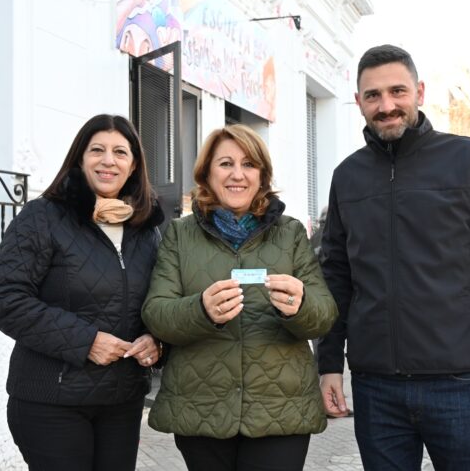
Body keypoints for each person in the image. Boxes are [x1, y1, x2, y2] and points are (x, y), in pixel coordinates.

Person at [317, 44, 470, 470]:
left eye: (397, 91)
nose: (386, 105)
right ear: (359, 102)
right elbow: (336, 277)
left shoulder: (468, 159)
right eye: (373, 96)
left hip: (463, 385)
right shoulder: (347, 176)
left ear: (419, 91)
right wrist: (328, 364)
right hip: (375, 388)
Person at [141, 124, 338, 471]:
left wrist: (301, 306)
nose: (238, 175)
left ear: (262, 175)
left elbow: (324, 314)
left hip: (281, 406)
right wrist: (200, 310)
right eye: (225, 164)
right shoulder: (179, 234)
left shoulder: (290, 233)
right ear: (206, 173)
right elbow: (156, 313)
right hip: (202, 404)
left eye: (249, 164)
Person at [0, 114, 164, 471]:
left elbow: (160, 301)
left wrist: (157, 340)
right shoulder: (42, 217)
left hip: (122, 400)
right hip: (51, 400)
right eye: (96, 149)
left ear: (133, 167)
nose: (108, 160)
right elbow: (7, 299)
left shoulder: (146, 231)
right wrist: (86, 342)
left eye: (120, 152)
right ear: (79, 159)